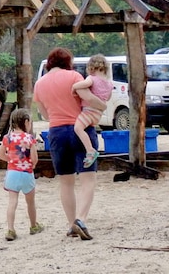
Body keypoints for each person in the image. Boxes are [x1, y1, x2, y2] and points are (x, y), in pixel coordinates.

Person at [34, 47, 107, 241]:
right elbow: (88, 98)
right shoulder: (74, 76)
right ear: (68, 62)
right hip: (80, 128)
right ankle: (81, 219)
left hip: (56, 132)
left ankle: (70, 224)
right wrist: (102, 105)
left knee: (66, 182)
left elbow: (45, 114)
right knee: (88, 178)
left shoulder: (39, 84)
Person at [0, 107, 44, 241]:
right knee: (30, 202)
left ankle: (11, 230)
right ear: (26, 122)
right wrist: (32, 164)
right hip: (26, 173)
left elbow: (0, 154)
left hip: (12, 173)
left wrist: (11, 160)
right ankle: (33, 226)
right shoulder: (29, 138)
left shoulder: (7, 138)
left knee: (12, 202)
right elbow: (34, 158)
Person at [72, 54, 113, 168]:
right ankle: (90, 149)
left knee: (78, 128)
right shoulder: (109, 84)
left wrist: (74, 86)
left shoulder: (92, 79)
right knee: (86, 128)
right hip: (98, 114)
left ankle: (90, 150)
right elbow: (108, 98)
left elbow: (85, 84)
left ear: (91, 68)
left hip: (89, 111)